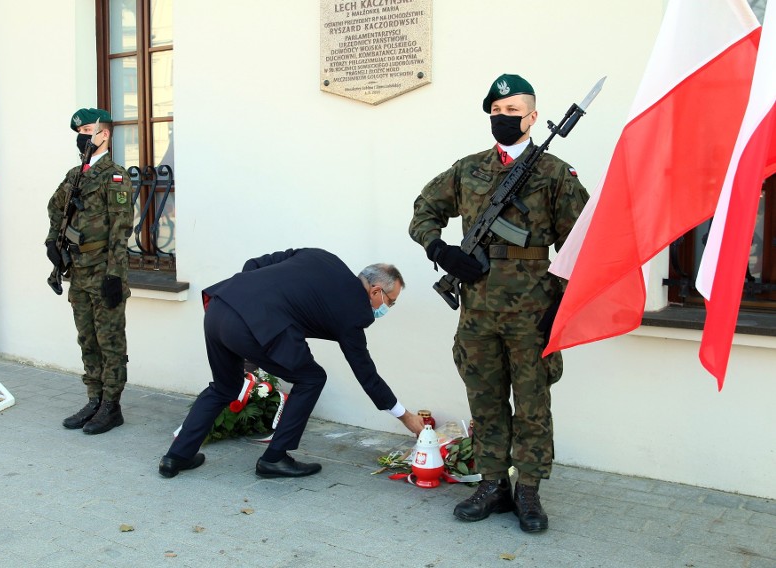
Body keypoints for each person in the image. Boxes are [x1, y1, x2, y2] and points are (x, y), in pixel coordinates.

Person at [408, 74, 589, 532]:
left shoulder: (554, 174)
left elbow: (582, 248)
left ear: (532, 117)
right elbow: (424, 209)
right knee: (485, 401)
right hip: (478, 312)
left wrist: (559, 309)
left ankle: (528, 489)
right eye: (497, 110)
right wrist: (440, 249)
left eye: (513, 111)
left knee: (532, 404)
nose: (503, 118)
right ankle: (492, 484)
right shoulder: (468, 170)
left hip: (533, 312)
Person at [158, 248, 426, 479]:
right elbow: (366, 373)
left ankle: (176, 457)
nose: (387, 308)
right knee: (312, 378)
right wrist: (405, 416)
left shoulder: (322, 257)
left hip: (219, 306)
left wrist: (252, 300)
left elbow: (254, 264)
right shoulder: (354, 312)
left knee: (224, 387)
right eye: (390, 302)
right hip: (253, 326)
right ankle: (274, 458)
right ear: (376, 291)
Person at [46, 108, 134, 435]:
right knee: (87, 339)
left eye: (87, 130)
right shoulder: (76, 175)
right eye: (79, 131)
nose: (82, 136)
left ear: (104, 134)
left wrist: (115, 275)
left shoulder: (115, 176)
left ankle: (112, 405)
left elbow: (121, 231)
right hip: (79, 273)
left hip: (104, 271)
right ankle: (94, 399)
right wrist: (53, 244)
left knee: (110, 341)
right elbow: (56, 207)